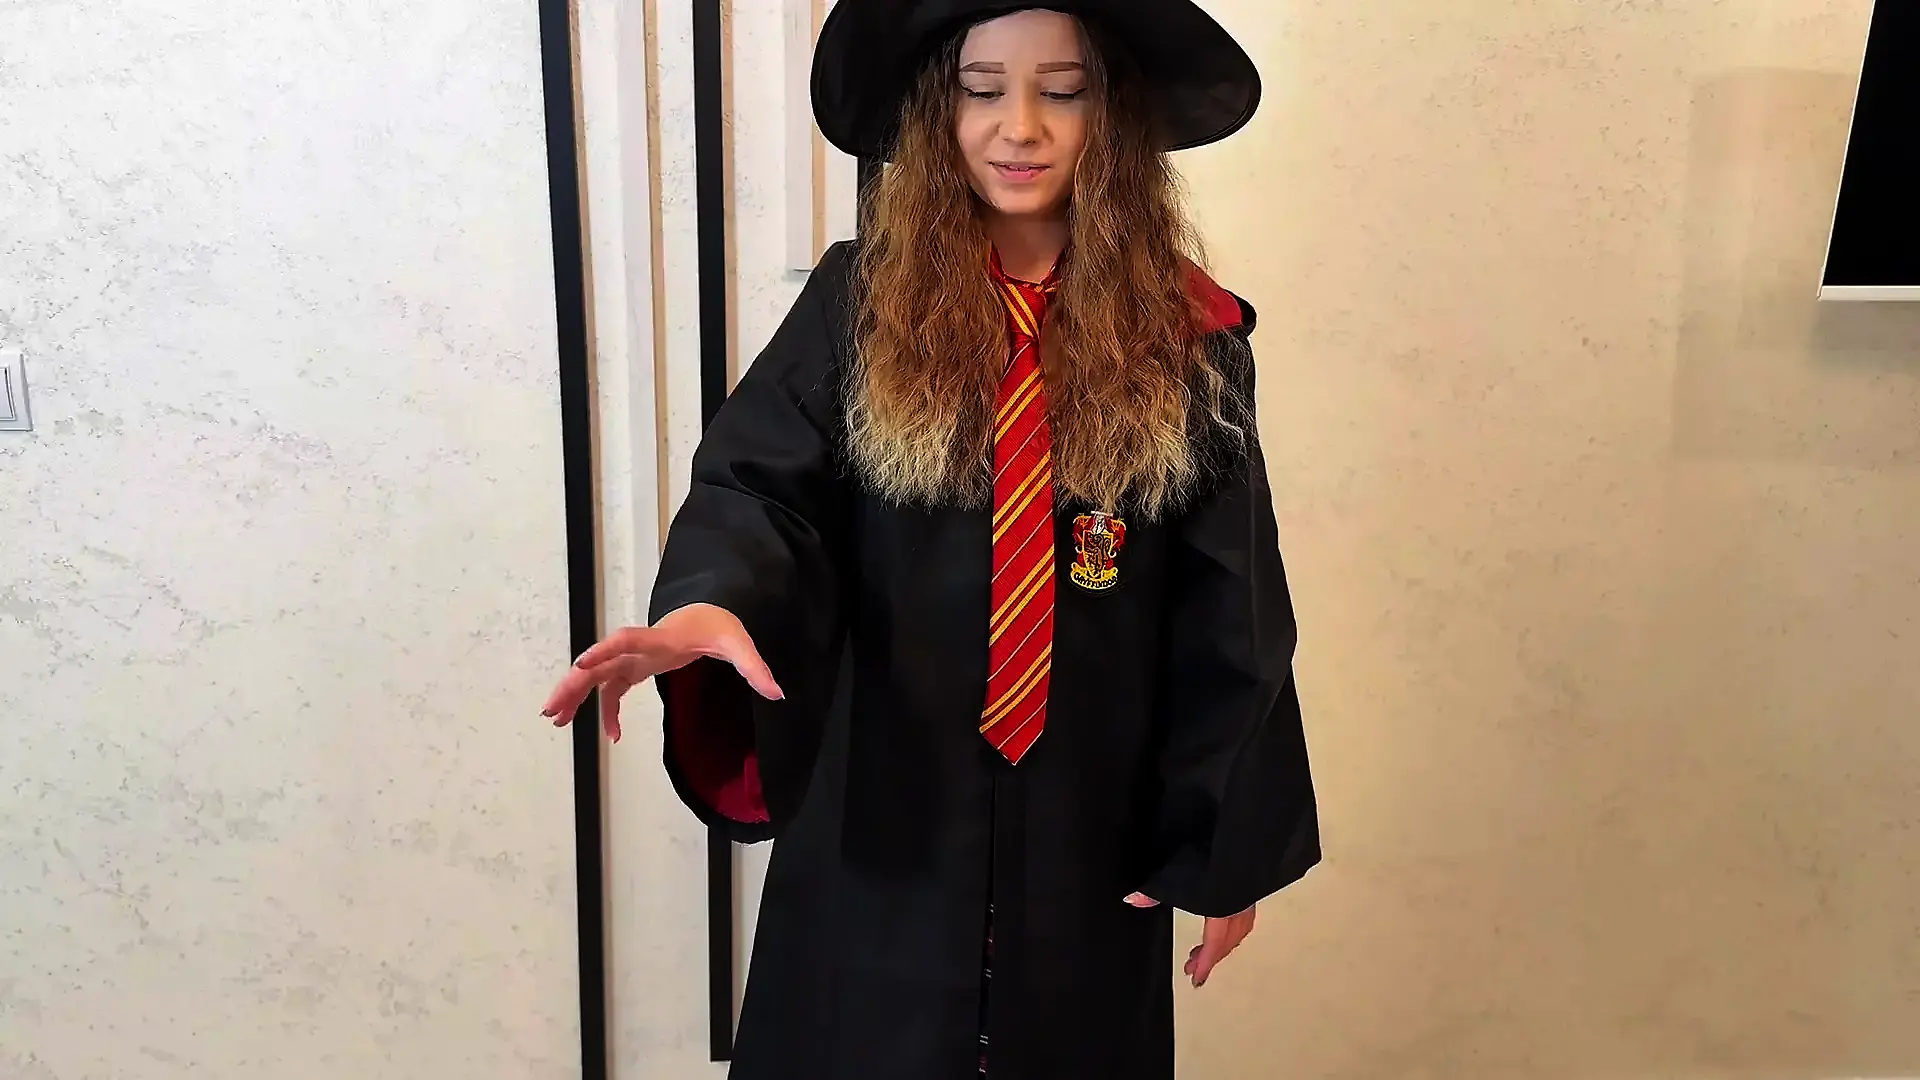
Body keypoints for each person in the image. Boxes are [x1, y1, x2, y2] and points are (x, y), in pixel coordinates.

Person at [541, 1, 1320, 1076]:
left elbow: (1230, 601)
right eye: (981, 88)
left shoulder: (1190, 341)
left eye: (1064, 90)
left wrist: (1220, 835)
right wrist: (713, 600)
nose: (1021, 126)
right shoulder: (857, 308)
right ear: (932, 108)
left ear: (1114, 114)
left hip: (1088, 819)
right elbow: (760, 491)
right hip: (885, 811)